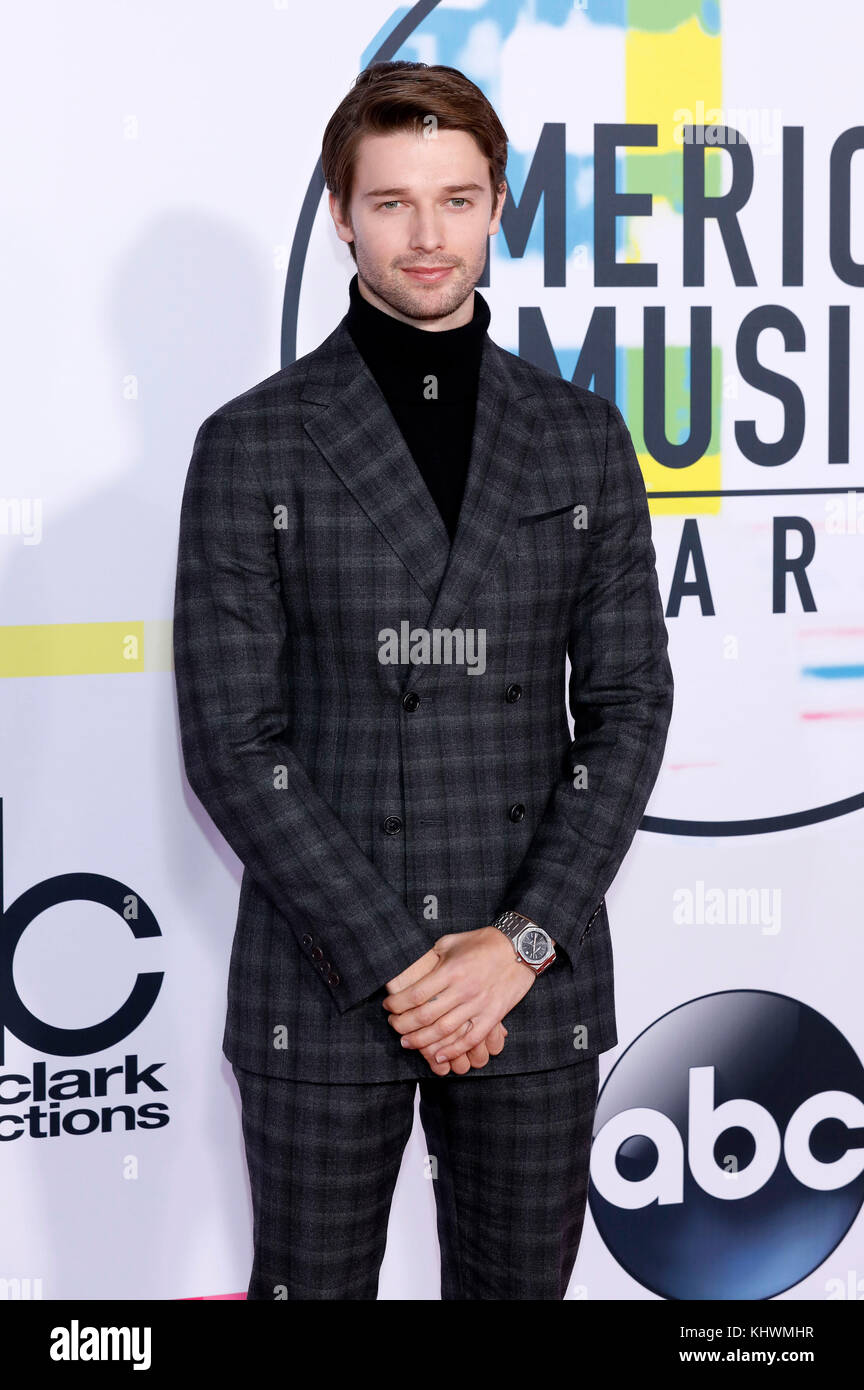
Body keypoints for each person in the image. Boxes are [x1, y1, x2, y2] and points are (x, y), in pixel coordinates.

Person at [172, 60, 674, 1300]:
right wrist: (409, 965)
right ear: (340, 214)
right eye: (392, 203)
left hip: (532, 973)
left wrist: (517, 944)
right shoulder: (252, 442)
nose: (427, 235)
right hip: (324, 970)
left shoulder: (581, 434)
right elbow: (235, 740)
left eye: (456, 199)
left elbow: (627, 707)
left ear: (500, 204)